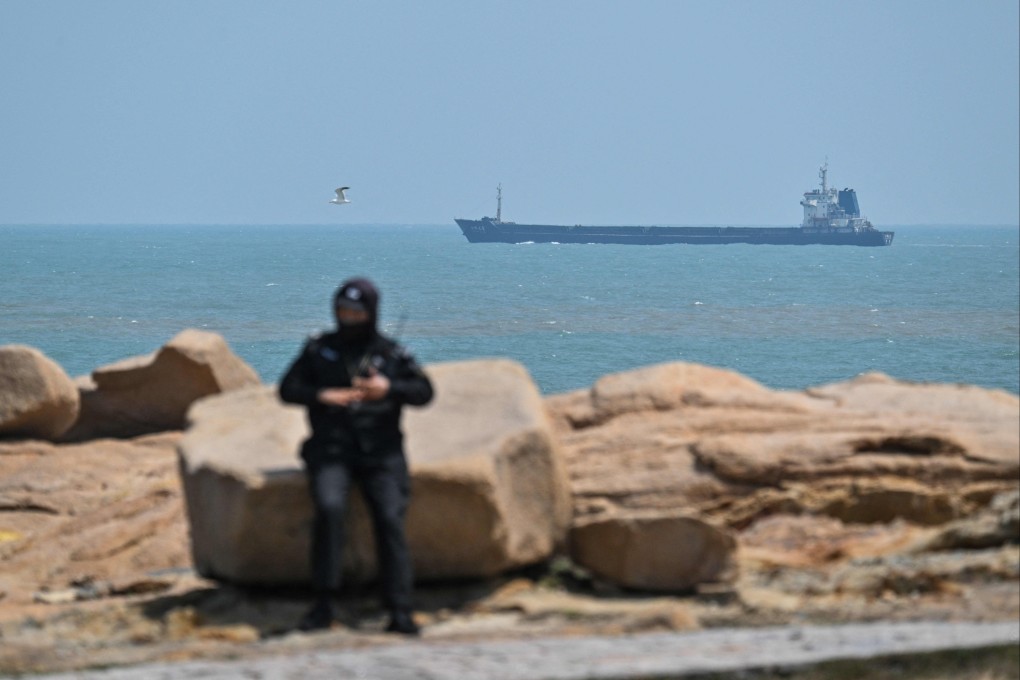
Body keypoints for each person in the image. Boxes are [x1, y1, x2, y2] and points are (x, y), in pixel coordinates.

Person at [279, 277, 433, 634]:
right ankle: (323, 604)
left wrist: (387, 388)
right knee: (330, 509)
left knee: (390, 518)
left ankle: (400, 608)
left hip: (382, 453)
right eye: (342, 310)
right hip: (331, 451)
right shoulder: (319, 348)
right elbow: (288, 389)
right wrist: (323, 395)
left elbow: (424, 392)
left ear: (371, 313)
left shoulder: (390, 353)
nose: (347, 317)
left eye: (355, 311)